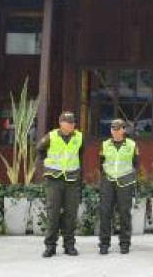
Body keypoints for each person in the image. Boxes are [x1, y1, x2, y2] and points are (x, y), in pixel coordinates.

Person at [37, 111, 84, 258]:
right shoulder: (51, 137)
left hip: (72, 180)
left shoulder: (79, 137)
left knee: (71, 214)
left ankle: (69, 245)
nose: (71, 125)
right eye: (68, 122)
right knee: (53, 214)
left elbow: (80, 155)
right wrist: (45, 166)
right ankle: (50, 246)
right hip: (54, 180)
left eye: (73, 122)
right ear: (61, 123)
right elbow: (39, 150)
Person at [98, 118, 140, 255]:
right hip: (108, 182)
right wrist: (105, 178)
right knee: (105, 213)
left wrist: (129, 179)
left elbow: (136, 165)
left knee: (124, 213)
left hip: (125, 183)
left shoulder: (132, 145)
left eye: (118, 129)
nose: (115, 132)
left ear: (123, 130)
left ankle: (125, 243)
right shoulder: (104, 145)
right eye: (113, 129)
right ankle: (104, 244)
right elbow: (101, 164)